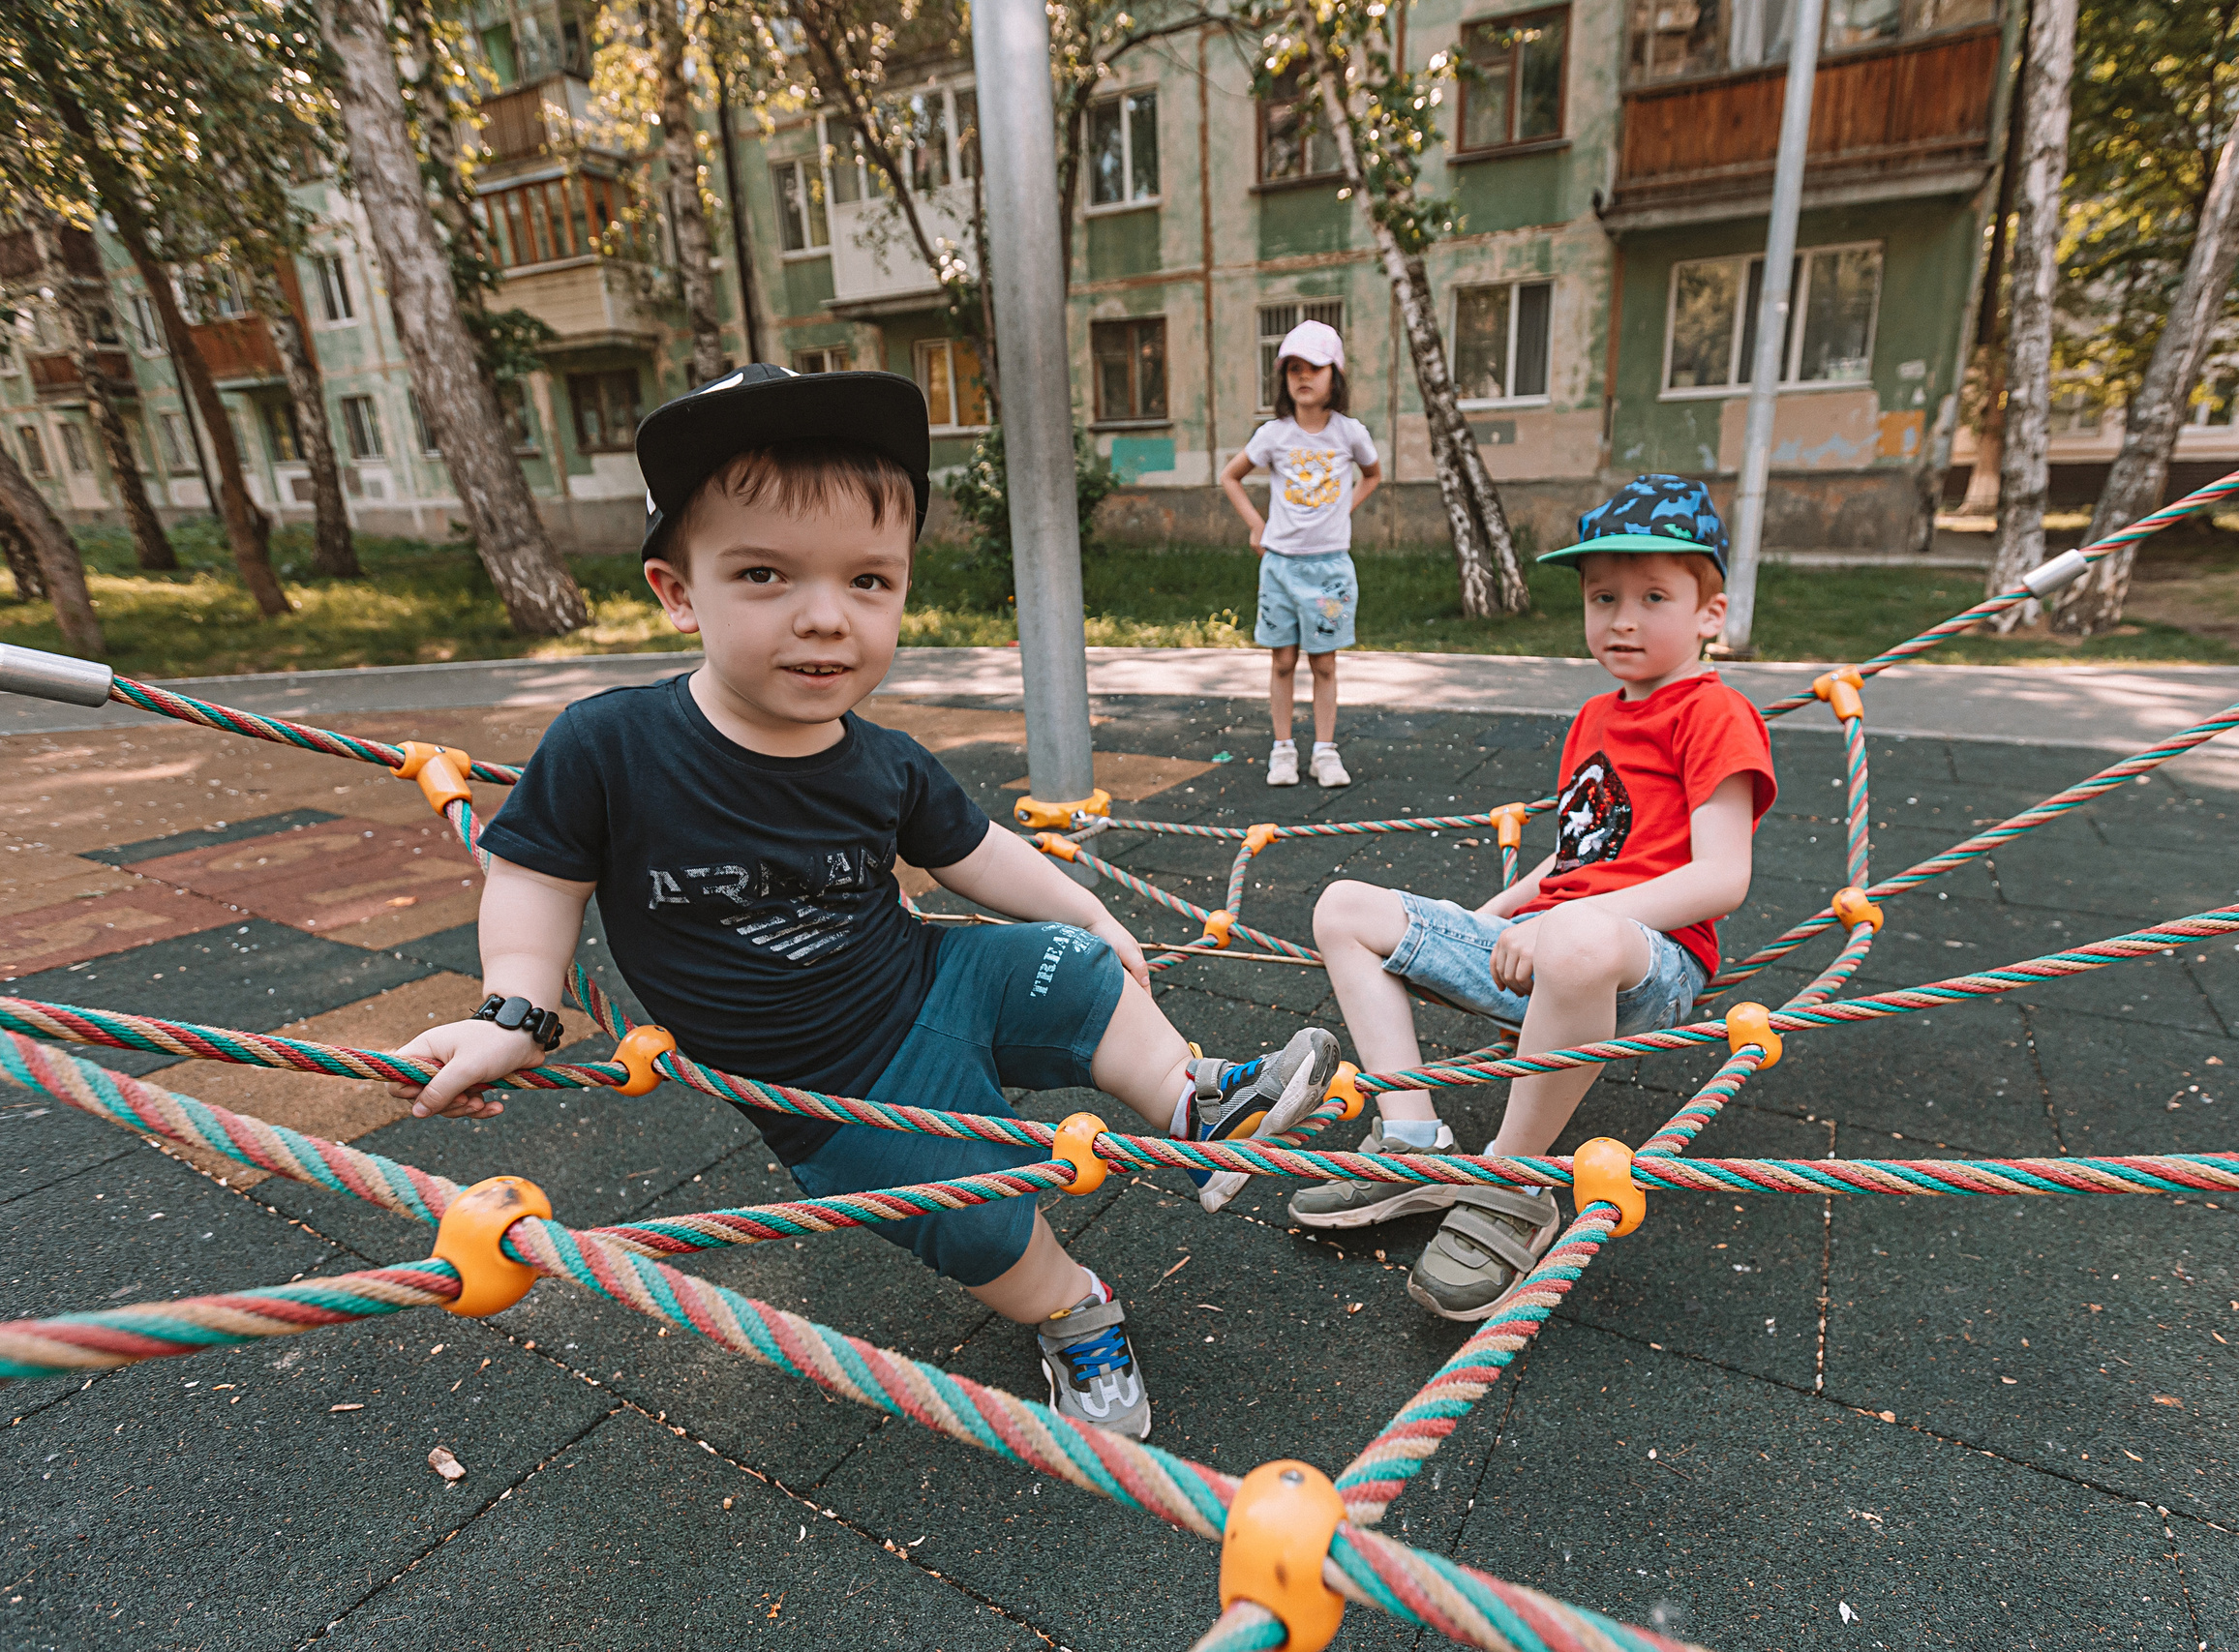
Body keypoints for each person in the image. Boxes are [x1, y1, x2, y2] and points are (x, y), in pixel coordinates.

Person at [385, 364, 1341, 1440]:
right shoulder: (608, 745)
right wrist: (515, 1006)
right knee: (978, 1225)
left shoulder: (881, 761)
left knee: (1072, 970)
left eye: (869, 582)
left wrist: (1086, 913)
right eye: (763, 575)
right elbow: (534, 877)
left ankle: (1192, 1099)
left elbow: (976, 853)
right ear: (676, 589)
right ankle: (1075, 1308)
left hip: (926, 974)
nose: (825, 620)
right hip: (828, 1086)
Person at [1295, 476, 1775, 1322]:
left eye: (1653, 596)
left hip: (1645, 964)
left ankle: (1510, 1181)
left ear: (1711, 612)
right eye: (1603, 597)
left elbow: (1721, 877)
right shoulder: (1594, 714)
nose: (1622, 618)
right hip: (1551, 935)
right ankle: (1413, 1138)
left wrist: (1565, 921)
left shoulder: (1716, 712)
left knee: (1581, 939)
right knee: (1342, 906)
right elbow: (1576, 850)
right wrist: (1499, 914)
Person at [1218, 318, 1380, 789]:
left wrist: (1341, 512)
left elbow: (1372, 475)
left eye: (1314, 367)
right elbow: (1231, 476)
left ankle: (1325, 752)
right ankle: (1283, 748)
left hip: (1329, 573)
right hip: (1281, 570)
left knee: (1324, 662)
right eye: (1293, 368)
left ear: (1336, 376)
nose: (1303, 377)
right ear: (1284, 378)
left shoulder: (1349, 434)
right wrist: (1257, 526)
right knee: (1283, 660)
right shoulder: (1275, 435)